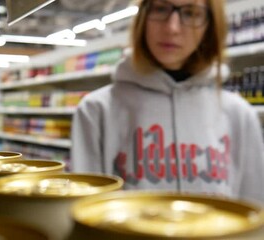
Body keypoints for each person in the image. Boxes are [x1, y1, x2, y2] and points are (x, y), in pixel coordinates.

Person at [71, 0, 264, 204]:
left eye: (190, 13)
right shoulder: (97, 111)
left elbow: (255, 215)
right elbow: (84, 213)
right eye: (160, 8)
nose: (172, 28)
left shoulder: (239, 115)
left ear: (210, 25)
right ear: (142, 17)